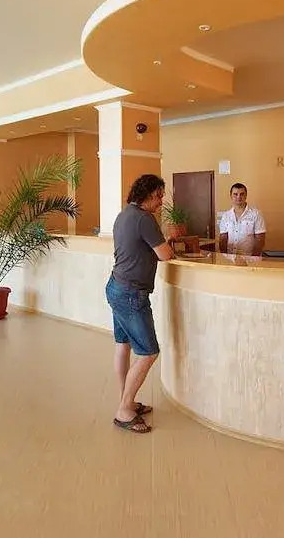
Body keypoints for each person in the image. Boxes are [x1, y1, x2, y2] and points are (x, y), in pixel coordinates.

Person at [106, 174, 175, 434]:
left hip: (116, 286)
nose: (161, 201)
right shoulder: (145, 219)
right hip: (131, 293)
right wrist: (168, 243)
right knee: (148, 352)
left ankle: (126, 399)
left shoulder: (123, 215)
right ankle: (124, 410)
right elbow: (165, 254)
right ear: (146, 194)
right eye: (158, 196)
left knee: (122, 345)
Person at [217, 183, 267, 255]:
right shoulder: (226, 216)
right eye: (235, 194)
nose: (239, 197)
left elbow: (260, 239)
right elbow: (223, 239)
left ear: (246, 196)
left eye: (242, 194)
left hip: (249, 258)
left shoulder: (256, 214)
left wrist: (253, 258)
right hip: (230, 258)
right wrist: (224, 257)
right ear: (231, 196)